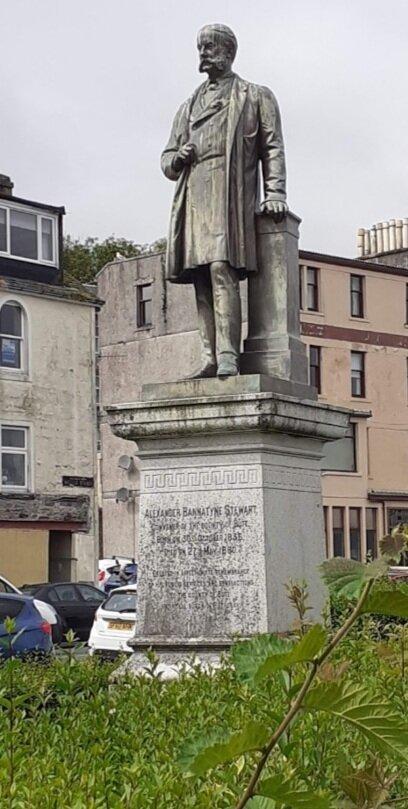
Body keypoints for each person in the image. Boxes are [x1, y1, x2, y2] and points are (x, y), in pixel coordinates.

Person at [161, 23, 287, 377]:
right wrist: (178, 157)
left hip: (230, 198)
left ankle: (228, 354)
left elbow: (272, 147)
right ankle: (210, 356)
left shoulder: (254, 95)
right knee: (200, 275)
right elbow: (166, 160)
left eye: (210, 46)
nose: (203, 53)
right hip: (195, 197)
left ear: (229, 52)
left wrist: (275, 191)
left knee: (221, 268)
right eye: (200, 47)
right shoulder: (188, 106)